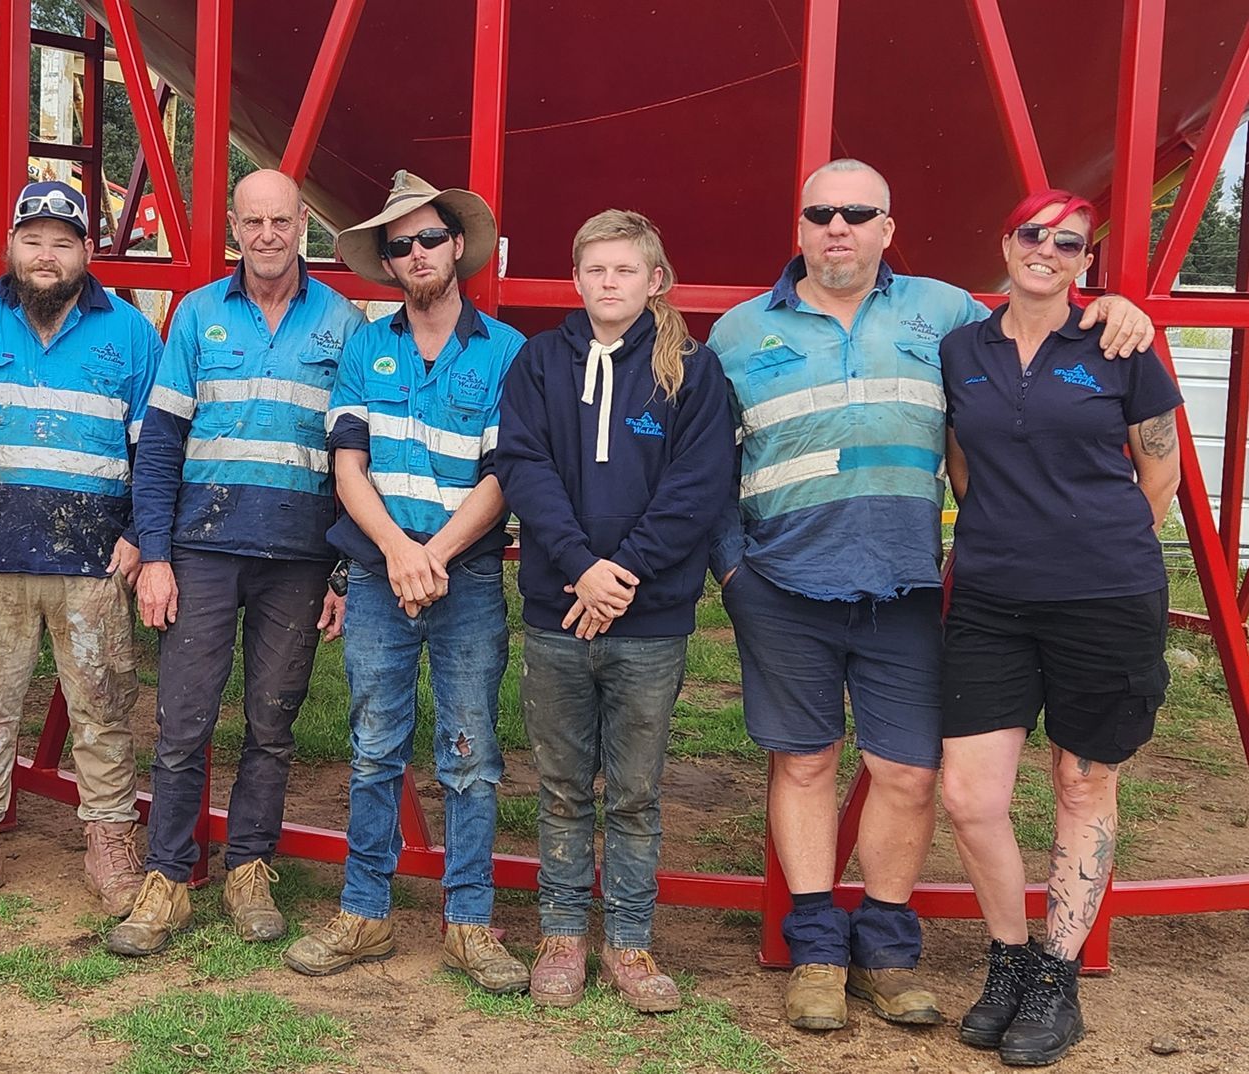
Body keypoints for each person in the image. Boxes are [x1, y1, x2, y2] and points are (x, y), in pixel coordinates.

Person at [705, 158, 1154, 1030]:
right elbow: (708, 465)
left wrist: (1116, 303)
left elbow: (1041, 317)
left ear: (887, 228)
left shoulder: (945, 314)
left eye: (858, 214)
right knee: (802, 762)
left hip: (905, 584)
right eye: (822, 214)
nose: (839, 228)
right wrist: (735, 574)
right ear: (798, 228)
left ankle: (885, 948)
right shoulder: (736, 332)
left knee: (908, 774)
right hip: (784, 584)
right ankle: (816, 952)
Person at [938, 190, 1180, 1067]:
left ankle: (1056, 982)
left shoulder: (1121, 344)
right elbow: (962, 463)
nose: (1046, 250)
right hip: (993, 599)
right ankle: (1008, 959)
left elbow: (1161, 475)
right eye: (1032, 234)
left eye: (1068, 242)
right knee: (969, 797)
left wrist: (1093, 550)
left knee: (1083, 785)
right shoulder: (961, 347)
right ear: (1006, 242)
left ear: (1087, 262)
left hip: (1104, 600)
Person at [281, 171, 530, 994]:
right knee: (372, 749)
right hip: (386, 574)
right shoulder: (364, 346)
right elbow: (347, 466)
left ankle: (469, 924)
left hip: (467, 583)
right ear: (387, 264)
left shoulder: (506, 354)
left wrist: (436, 555)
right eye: (400, 246)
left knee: (471, 753)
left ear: (458, 246)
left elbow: (504, 475)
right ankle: (365, 911)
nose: (417, 253)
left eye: (430, 238)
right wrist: (396, 553)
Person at [105, 170, 362, 957]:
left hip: (299, 557)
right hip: (204, 549)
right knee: (183, 723)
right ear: (233, 226)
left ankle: (251, 865)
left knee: (271, 724)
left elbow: (359, 458)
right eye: (251, 222)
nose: (266, 235)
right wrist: (155, 555)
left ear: (303, 223)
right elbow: (159, 448)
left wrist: (343, 574)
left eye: (279, 220)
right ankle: (167, 878)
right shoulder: (198, 316)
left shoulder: (344, 324)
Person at [495, 210, 735, 1009]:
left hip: (650, 620)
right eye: (595, 270)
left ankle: (630, 943)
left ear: (654, 280)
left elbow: (697, 489)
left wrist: (620, 573)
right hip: (558, 611)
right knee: (562, 786)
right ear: (576, 278)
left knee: (634, 792)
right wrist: (579, 569)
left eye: (625, 271)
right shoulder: (538, 364)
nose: (609, 283)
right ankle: (563, 936)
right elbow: (523, 466)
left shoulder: (691, 373)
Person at [0, 181, 160, 918]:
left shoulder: (132, 335)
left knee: (104, 706)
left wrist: (140, 534)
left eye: (63, 242)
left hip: (95, 566)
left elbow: (158, 448)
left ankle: (110, 838)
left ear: (86, 253)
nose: (46, 256)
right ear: (11, 247)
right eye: (33, 240)